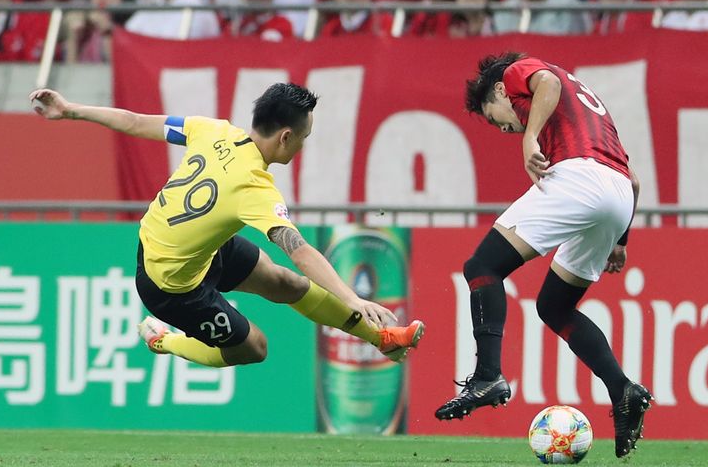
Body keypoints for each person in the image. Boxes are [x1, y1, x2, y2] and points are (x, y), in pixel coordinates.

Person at [29, 83, 424, 372]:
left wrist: (71, 109)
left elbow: (134, 121)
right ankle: (162, 340)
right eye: (303, 138)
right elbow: (300, 250)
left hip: (189, 248)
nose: (302, 146)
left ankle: (383, 338)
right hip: (170, 285)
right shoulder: (254, 187)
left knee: (286, 283)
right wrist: (353, 299)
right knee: (254, 348)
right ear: (285, 137)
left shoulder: (214, 130)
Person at [434, 52, 651, 459]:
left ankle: (487, 376)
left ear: (501, 91)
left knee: (483, 266)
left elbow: (546, 81)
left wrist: (530, 137)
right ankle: (623, 390)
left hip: (580, 178)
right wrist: (620, 240)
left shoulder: (519, 73)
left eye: (497, 120)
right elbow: (634, 181)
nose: (506, 128)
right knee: (555, 306)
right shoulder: (586, 107)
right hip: (619, 195)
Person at [63, 0, 136, 62]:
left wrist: (107, 32)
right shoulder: (83, 25)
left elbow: (119, 65)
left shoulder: (134, 25)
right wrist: (72, 35)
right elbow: (70, 67)